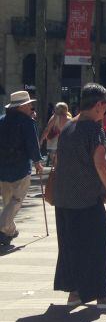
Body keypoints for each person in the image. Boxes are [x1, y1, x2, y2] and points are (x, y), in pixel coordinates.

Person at [52, 83, 106, 309]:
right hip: (86, 197)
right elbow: (100, 161)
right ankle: (103, 293)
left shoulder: (69, 126)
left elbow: (59, 160)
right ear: (99, 104)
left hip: (64, 197)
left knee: (71, 243)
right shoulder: (93, 128)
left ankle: (75, 291)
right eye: (105, 106)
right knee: (101, 239)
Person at [0, 91, 44, 246]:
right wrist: (38, 161)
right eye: (29, 104)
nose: (31, 107)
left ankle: (9, 231)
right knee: (16, 200)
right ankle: (3, 226)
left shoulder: (2, 120)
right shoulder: (27, 122)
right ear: (22, 106)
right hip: (20, 168)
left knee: (8, 201)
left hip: (3, 168)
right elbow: (32, 144)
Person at [39, 102, 71, 167]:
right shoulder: (70, 119)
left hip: (54, 144)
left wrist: (41, 140)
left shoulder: (55, 117)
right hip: (66, 144)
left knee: (56, 164)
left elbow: (47, 129)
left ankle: (56, 175)